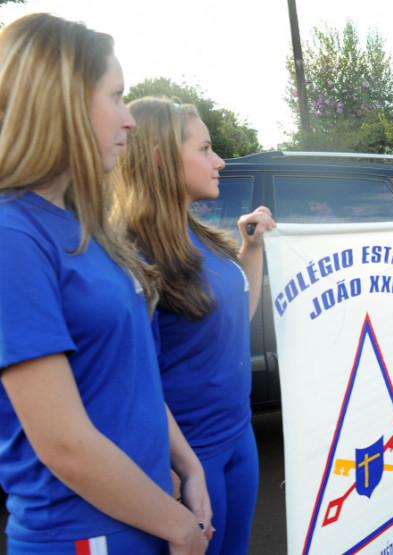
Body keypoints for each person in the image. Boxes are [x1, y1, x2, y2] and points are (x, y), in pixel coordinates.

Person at [0, 14, 211, 554]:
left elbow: (129, 376)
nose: (130, 122)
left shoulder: (85, 227)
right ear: (63, 102)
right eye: (116, 97)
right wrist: (180, 526)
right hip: (82, 534)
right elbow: (64, 443)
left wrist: (188, 466)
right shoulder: (13, 234)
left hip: (143, 518)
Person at [111, 98, 276, 553]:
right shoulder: (132, 257)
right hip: (189, 456)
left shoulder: (197, 235)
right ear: (162, 157)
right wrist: (173, 465)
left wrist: (253, 250)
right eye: (205, 149)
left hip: (239, 436)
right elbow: (134, 382)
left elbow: (232, 324)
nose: (219, 161)